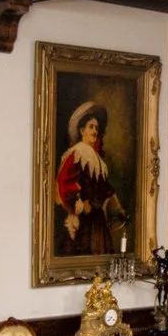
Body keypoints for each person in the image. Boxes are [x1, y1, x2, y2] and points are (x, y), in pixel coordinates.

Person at [55, 101, 126, 255]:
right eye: (91, 127)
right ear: (82, 130)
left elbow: (105, 188)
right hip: (83, 219)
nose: (94, 131)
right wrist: (80, 204)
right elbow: (64, 182)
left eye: (96, 128)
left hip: (98, 218)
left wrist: (117, 207)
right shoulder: (77, 153)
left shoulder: (98, 161)